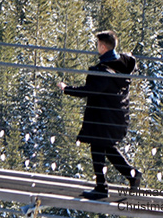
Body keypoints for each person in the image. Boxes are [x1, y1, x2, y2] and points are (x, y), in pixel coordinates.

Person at [57, 30, 142, 199]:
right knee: (106, 147)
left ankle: (103, 186)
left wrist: (67, 89)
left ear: (103, 47)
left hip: (105, 117)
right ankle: (129, 176)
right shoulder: (120, 63)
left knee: (98, 146)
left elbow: (90, 90)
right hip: (114, 115)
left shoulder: (104, 71)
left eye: (98, 45)